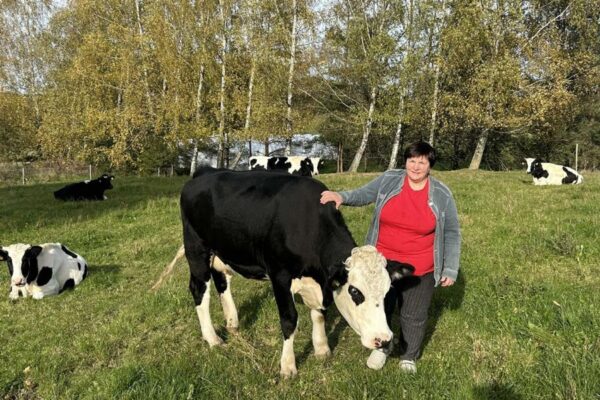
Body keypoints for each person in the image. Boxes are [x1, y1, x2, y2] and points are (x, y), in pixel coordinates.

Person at [320, 141, 461, 373]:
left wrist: (450, 269)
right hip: (380, 266)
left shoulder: (441, 193)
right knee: (380, 308)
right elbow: (365, 193)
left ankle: (408, 355)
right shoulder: (390, 179)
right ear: (405, 161)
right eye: (412, 160)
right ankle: (382, 347)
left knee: (413, 315)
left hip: (420, 267)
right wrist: (341, 196)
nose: (415, 167)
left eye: (422, 162)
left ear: (430, 165)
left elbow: (452, 232)